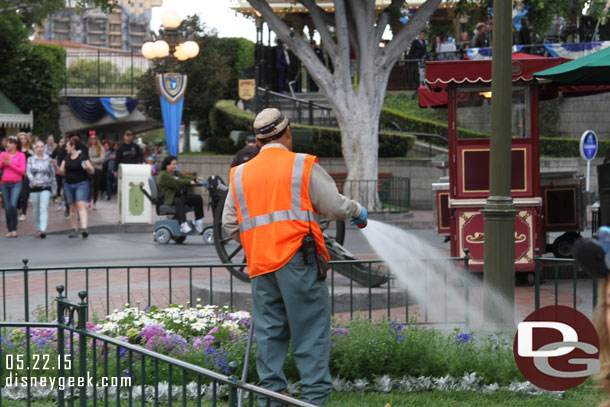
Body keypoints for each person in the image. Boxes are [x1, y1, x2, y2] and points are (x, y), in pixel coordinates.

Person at [222, 108, 367, 406]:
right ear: (288, 134)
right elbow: (334, 206)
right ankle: (313, 400)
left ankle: (270, 400)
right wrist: (356, 210)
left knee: (269, 334)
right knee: (310, 333)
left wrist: (259, 241)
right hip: (299, 259)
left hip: (261, 264)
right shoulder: (300, 165)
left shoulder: (240, 174)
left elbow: (229, 225)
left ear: (259, 140)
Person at [157, 155, 205, 234]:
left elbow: (184, 177)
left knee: (198, 198)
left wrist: (194, 179)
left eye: (176, 164)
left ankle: (198, 221)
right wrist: (188, 182)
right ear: (167, 165)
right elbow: (176, 183)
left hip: (177, 195)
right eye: (173, 164)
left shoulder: (175, 172)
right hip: (168, 197)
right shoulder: (163, 175)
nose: (175, 166)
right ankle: (183, 224)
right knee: (179, 201)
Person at [59, 139, 95, 238]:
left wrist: (87, 168)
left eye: (67, 146)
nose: (65, 148)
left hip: (81, 184)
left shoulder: (82, 157)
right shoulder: (66, 158)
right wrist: (56, 167)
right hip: (69, 185)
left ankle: (84, 228)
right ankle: (74, 229)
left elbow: (92, 170)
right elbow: (62, 172)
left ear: (73, 146)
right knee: (72, 207)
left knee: (81, 205)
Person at [27, 140, 57, 238]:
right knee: (36, 209)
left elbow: (52, 174)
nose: (40, 149)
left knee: (43, 208)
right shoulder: (31, 159)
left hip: (46, 186)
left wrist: (54, 189)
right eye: (38, 147)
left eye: (41, 147)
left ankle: (43, 230)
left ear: (44, 148)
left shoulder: (48, 159)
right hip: (35, 186)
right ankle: (38, 228)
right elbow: (28, 172)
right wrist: (32, 181)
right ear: (35, 148)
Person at [0, 136, 25, 237]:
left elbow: (22, 171)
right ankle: (9, 229)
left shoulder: (21, 155)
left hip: (16, 183)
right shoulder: (3, 154)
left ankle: (14, 228)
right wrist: (3, 162)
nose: (8, 145)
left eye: (10, 143)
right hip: (4, 182)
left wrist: (10, 164)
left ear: (15, 144)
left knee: (13, 205)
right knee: (7, 207)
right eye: (7, 143)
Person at [87, 131, 106, 209]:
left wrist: (92, 160)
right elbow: (87, 159)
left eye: (94, 138)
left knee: (96, 186)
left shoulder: (101, 148)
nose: (93, 140)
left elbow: (102, 159)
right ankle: (88, 202)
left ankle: (94, 202)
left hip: (98, 169)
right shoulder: (89, 148)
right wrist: (94, 160)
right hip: (90, 169)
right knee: (89, 186)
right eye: (91, 138)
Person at [17, 132, 33, 221]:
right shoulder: (16, 150)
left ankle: (24, 213)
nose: (23, 140)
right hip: (17, 175)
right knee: (17, 196)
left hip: (27, 175)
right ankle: (19, 209)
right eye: (21, 138)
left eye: (24, 138)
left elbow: (35, 161)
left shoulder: (30, 150)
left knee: (24, 194)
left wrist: (32, 153)